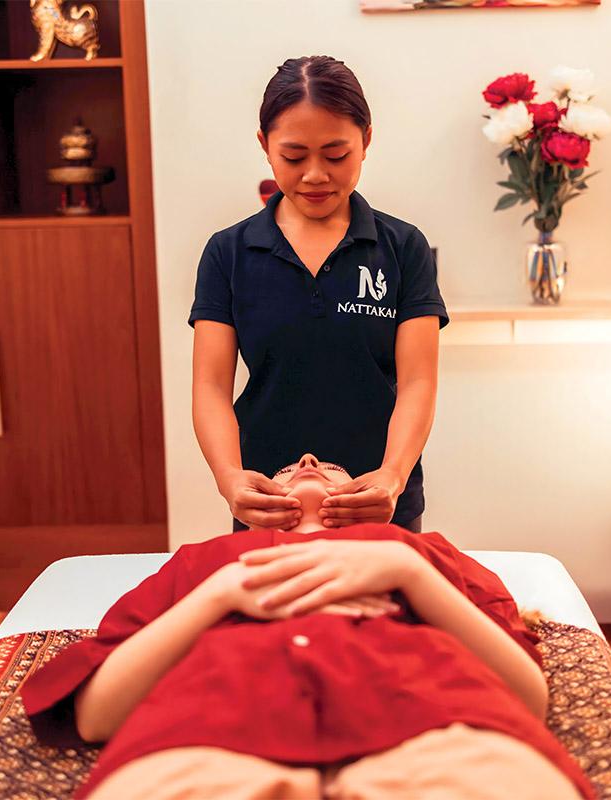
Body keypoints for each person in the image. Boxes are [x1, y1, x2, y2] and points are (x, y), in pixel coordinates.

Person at [21, 454, 595, 800]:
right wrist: (220, 595)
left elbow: (527, 697)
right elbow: (96, 716)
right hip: (205, 732)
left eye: (331, 466)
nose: (309, 460)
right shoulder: (203, 561)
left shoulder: (418, 550)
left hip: (436, 724)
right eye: (288, 468)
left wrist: (407, 573)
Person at [189, 55, 449, 536]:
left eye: (335, 155)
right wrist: (230, 480)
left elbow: (418, 382)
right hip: (271, 501)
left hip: (378, 500)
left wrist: (391, 478)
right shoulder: (229, 252)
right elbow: (209, 387)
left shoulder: (402, 247)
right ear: (265, 146)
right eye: (293, 156)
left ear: (366, 141)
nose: (314, 175)